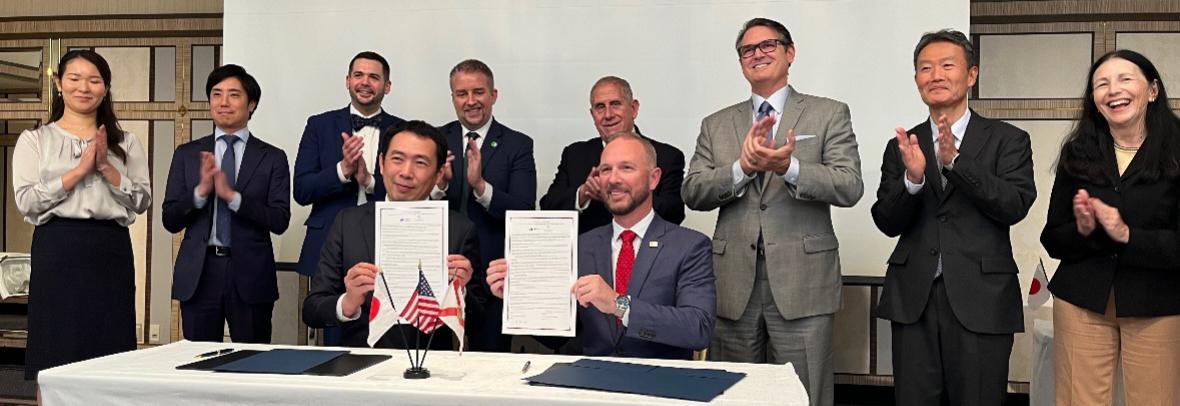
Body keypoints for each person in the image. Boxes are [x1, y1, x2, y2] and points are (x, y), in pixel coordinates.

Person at [681, 17, 862, 405]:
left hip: (804, 284)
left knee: (805, 394)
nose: (757, 54)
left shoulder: (828, 113)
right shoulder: (716, 124)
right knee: (732, 394)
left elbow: (849, 185)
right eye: (748, 49)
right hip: (733, 285)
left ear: (790, 53)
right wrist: (741, 169)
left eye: (769, 45)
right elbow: (693, 191)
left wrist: (789, 168)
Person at [871, 29, 1035, 406]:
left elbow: (1014, 204)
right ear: (916, 81)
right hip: (915, 299)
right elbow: (886, 221)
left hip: (982, 296)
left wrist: (957, 163)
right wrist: (913, 180)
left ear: (972, 75)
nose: (936, 75)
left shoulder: (1008, 139)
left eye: (947, 65)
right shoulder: (903, 145)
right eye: (925, 68)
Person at [488, 132, 714, 359]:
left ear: (653, 179)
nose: (613, 179)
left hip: (661, 386)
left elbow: (698, 329)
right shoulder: (580, 246)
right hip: (590, 383)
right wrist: (517, 298)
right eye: (605, 170)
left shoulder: (690, 246)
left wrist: (619, 305)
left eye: (626, 168)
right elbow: (558, 337)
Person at [1040, 49, 1180, 406]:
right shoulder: (1079, 151)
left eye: (1124, 79)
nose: (1112, 89)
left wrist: (1128, 236)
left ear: (1152, 90)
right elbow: (1053, 237)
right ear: (1095, 101)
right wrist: (1083, 229)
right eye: (1101, 84)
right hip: (1082, 300)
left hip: (1158, 302)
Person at [14, 50, 151, 380]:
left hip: (110, 247)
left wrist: (105, 166)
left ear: (105, 88)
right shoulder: (35, 140)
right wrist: (78, 172)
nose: (84, 87)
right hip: (57, 246)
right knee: (54, 346)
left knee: (109, 347)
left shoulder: (126, 143)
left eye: (94, 80)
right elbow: (27, 201)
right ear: (60, 84)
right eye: (74, 79)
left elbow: (142, 199)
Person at [303, 120, 480, 349]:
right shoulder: (348, 222)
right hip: (360, 363)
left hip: (432, 365)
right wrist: (347, 303)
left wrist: (460, 291)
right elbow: (312, 309)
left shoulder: (459, 229)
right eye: (397, 159)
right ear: (381, 163)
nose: (406, 172)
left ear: (438, 174)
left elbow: (480, 321)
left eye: (420, 163)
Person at [162, 64, 291, 344]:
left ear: (251, 104)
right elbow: (170, 218)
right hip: (200, 272)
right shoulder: (187, 154)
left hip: (250, 274)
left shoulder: (272, 157)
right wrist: (200, 192)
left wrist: (233, 198)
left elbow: (280, 220)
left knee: (252, 365)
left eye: (234, 95)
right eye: (216, 94)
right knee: (198, 364)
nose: (223, 102)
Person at [293, 52, 404, 346]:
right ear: (347, 81)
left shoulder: (402, 131)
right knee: (333, 334)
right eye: (358, 75)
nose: (365, 82)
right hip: (329, 245)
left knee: (390, 334)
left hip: (387, 246)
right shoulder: (319, 125)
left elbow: (411, 192)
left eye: (374, 77)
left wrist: (368, 181)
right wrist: (342, 170)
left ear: (387, 86)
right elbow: (301, 190)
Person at [431, 59, 535, 352]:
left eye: (478, 92)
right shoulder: (434, 140)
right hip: (438, 269)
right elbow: (413, 204)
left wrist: (481, 187)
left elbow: (524, 211)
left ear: (494, 95)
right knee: (429, 361)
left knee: (489, 360)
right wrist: (439, 186)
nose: (471, 101)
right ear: (452, 97)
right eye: (462, 94)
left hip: (491, 275)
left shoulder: (518, 145)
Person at [540, 76, 685, 235]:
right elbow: (548, 208)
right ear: (593, 114)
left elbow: (674, 213)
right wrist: (583, 194)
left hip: (647, 253)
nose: (608, 114)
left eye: (615, 104)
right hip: (588, 254)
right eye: (600, 107)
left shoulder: (667, 156)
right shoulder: (575, 154)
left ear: (634, 108)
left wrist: (624, 192)